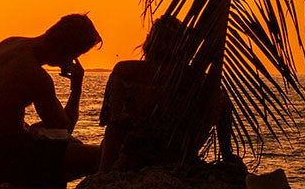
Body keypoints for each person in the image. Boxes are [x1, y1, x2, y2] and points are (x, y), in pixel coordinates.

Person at [0, 13, 103, 189]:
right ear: (66, 49)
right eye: (75, 55)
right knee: (101, 156)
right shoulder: (35, 75)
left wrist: (32, 129)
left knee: (74, 145)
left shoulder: (9, 44)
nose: (71, 61)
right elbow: (65, 127)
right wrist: (76, 87)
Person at [98, 15, 234, 171]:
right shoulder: (200, 80)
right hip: (181, 162)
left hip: (134, 162)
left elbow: (115, 125)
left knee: (102, 147)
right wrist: (227, 155)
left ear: (150, 43)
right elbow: (224, 110)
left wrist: (103, 173)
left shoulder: (126, 72)